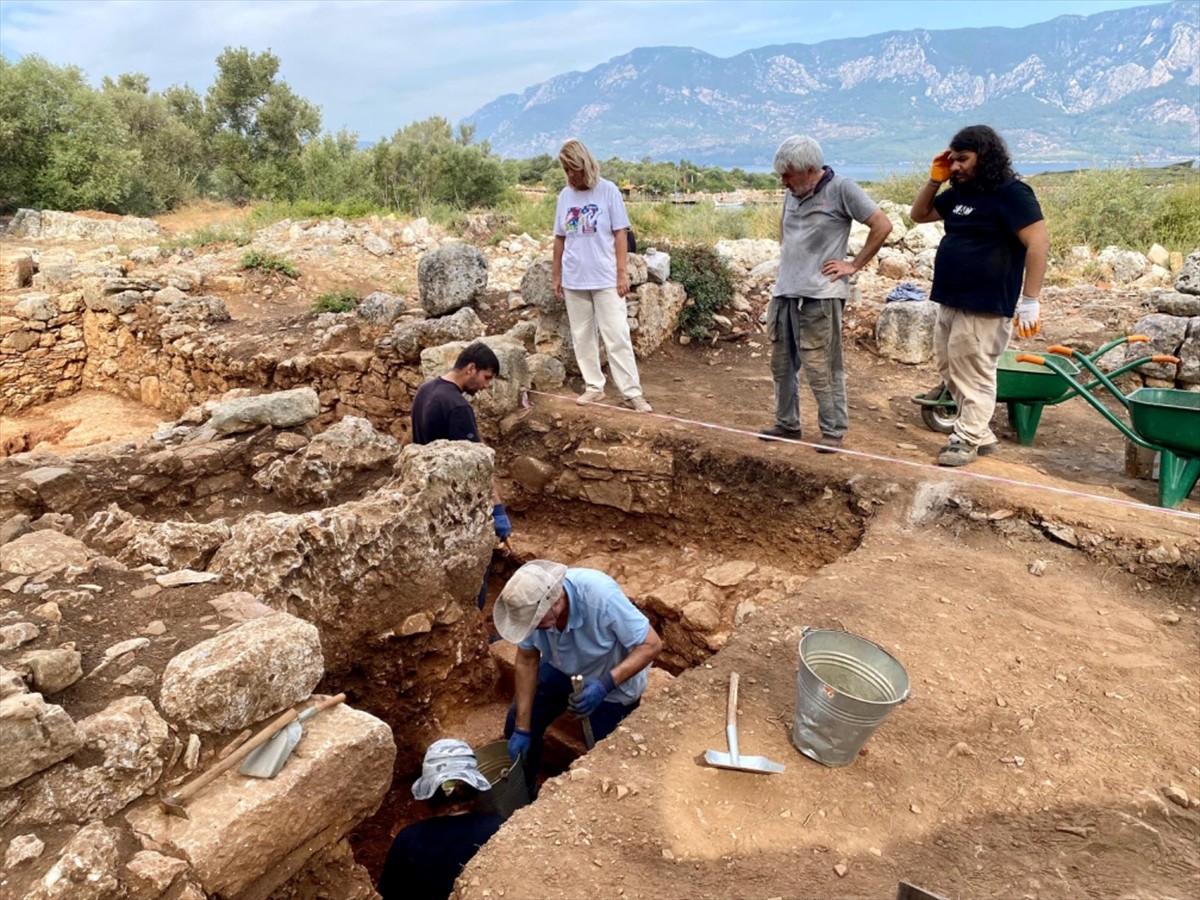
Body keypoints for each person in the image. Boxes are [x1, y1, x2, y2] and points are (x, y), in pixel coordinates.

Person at [909, 124, 1048, 467]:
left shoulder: (1012, 193)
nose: (955, 166)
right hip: (951, 296)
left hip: (986, 302)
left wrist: (1030, 300)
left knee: (975, 369)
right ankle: (980, 432)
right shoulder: (961, 191)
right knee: (948, 364)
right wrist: (935, 179)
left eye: (962, 159)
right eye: (952, 160)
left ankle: (967, 438)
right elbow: (919, 215)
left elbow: (1039, 243)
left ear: (984, 157)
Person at [761, 135, 893, 452]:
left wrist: (854, 264)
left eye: (788, 175)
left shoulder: (842, 189)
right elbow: (786, 232)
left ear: (810, 170)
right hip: (785, 294)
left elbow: (882, 225)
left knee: (822, 367)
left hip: (820, 297)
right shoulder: (793, 192)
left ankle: (833, 431)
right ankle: (787, 424)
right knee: (781, 366)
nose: (783, 182)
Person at [494, 559, 662, 786]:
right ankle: (526, 789)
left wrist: (605, 684)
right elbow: (526, 660)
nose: (531, 630)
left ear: (553, 603)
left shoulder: (601, 597)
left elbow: (651, 645)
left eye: (536, 623)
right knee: (518, 722)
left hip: (612, 681)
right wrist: (523, 729)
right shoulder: (528, 607)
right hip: (563, 666)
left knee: (608, 753)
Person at [552, 139, 652, 413]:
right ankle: (594, 386)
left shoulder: (608, 191)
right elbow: (560, 238)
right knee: (582, 335)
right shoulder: (565, 196)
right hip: (575, 278)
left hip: (606, 277)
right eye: (567, 170)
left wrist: (622, 274)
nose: (572, 175)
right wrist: (556, 275)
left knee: (616, 334)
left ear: (586, 164)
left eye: (575, 168)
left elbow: (621, 234)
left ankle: (632, 392)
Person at [411, 342, 511, 608]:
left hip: (430, 501)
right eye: (487, 378)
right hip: (456, 509)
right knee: (474, 570)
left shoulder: (425, 391)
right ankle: (473, 634)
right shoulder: (458, 408)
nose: (487, 386)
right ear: (471, 368)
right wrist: (497, 509)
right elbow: (478, 470)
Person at [377, 739, 503, 900]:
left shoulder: (407, 839)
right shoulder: (498, 829)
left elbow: (388, 893)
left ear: (429, 794)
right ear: (474, 787)